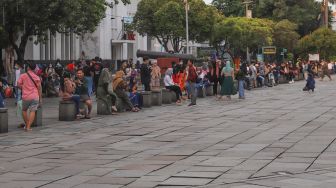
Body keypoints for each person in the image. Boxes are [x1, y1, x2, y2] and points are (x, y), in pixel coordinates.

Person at [17, 62, 42, 131]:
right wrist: (40, 99)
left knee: (24, 110)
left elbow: (18, 84)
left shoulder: (23, 75)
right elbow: (39, 88)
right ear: (34, 68)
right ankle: (28, 127)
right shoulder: (36, 77)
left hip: (26, 96)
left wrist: (23, 87)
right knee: (33, 111)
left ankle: (27, 124)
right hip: (35, 96)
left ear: (28, 67)